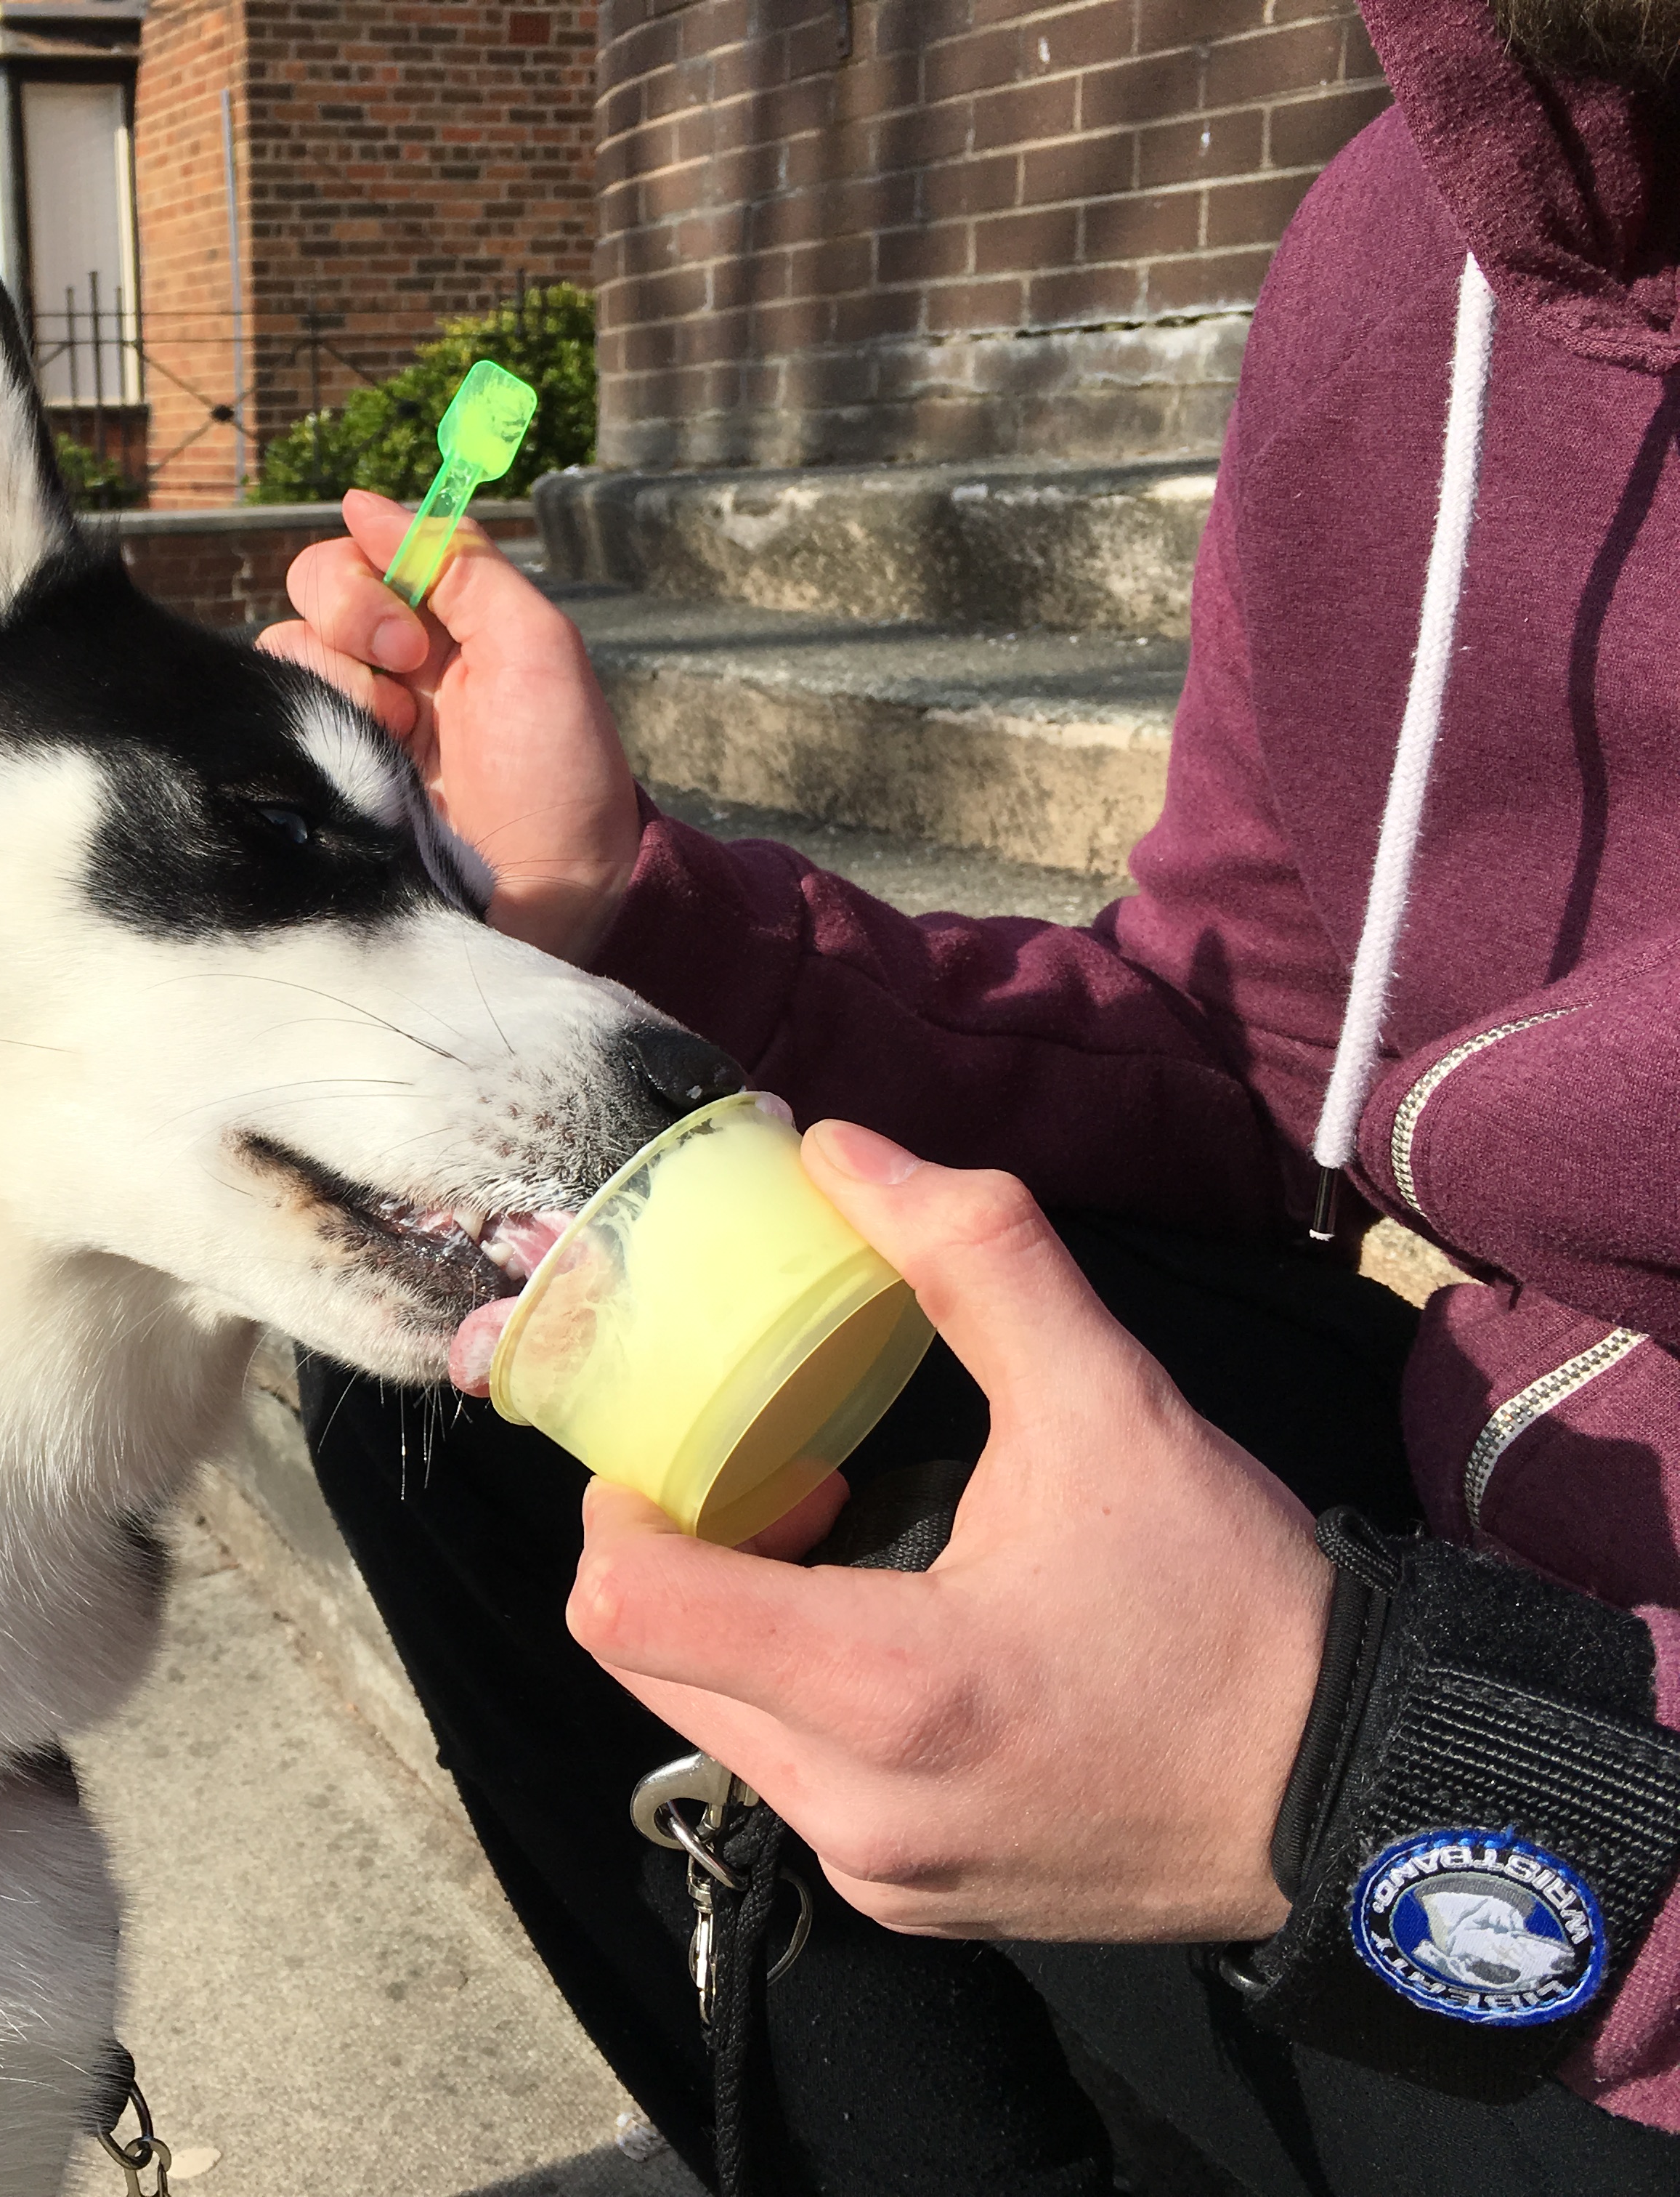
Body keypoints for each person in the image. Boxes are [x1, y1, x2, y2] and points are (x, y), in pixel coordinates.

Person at [258, 4, 1680, 2191]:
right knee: (469, 1380)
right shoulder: (1426, 261)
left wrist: (1418, 1783)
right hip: (1497, 1511)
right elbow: (1255, 1057)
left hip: (1592, 1845)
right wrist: (615, 909)